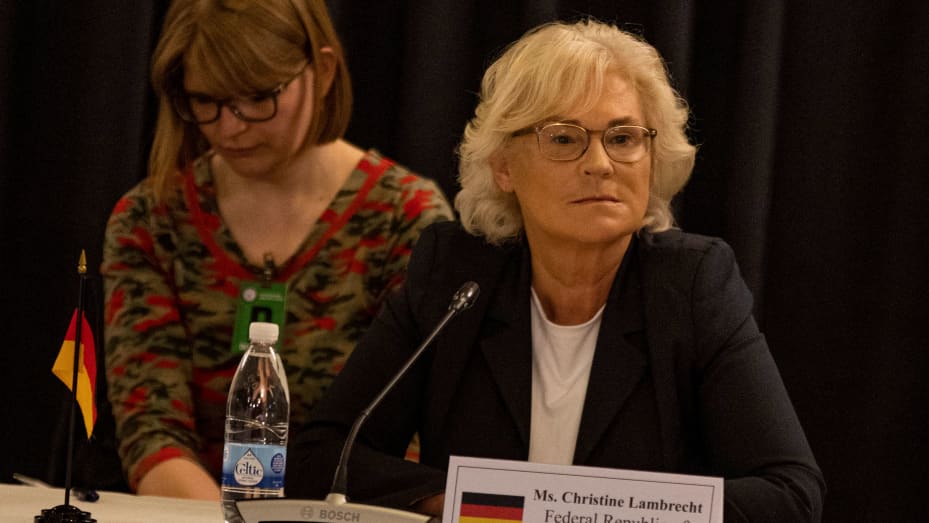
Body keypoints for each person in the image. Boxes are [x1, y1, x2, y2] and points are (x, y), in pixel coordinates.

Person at [288, 19, 825, 522]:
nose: (600, 163)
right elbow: (322, 455)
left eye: (623, 137)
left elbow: (790, 494)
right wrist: (479, 506)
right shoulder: (456, 275)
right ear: (503, 166)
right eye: (565, 138)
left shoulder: (692, 286)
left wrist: (588, 511)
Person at [100, 0, 453, 500]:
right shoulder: (150, 219)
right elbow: (152, 434)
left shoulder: (407, 217)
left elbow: (408, 442)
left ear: (324, 71)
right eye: (206, 101)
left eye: (257, 98)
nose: (230, 127)